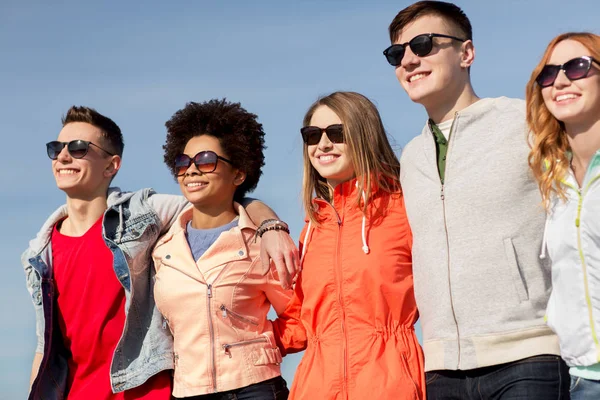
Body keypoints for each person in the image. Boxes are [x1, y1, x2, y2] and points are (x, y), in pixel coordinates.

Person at [22, 106, 298, 400]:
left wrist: (270, 226)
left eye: (78, 148)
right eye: (56, 148)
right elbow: (45, 344)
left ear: (111, 165)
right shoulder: (40, 253)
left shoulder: (144, 213)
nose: (63, 156)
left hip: (146, 391)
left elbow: (224, 199)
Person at [384, 1, 568, 398]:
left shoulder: (526, 123)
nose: (410, 60)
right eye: (398, 54)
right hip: (441, 368)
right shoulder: (410, 158)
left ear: (466, 53)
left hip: (528, 353)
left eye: (424, 44)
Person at [273, 91, 424, 399]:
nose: (323, 145)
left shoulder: (403, 206)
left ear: (364, 135)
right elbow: (302, 320)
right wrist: (244, 341)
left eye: (337, 133)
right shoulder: (313, 227)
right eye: (312, 135)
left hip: (391, 384)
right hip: (316, 388)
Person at [152, 99, 292, 399]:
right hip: (187, 390)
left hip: (255, 389)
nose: (191, 170)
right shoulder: (162, 248)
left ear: (239, 174)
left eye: (205, 161)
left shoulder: (261, 242)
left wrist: (260, 349)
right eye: (182, 162)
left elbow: (300, 314)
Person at [527, 32, 600, 400]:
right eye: (548, 73)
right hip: (581, 380)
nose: (560, 80)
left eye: (578, 67)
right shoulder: (552, 178)